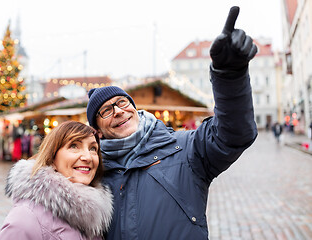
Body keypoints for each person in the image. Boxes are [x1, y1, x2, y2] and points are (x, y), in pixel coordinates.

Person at [85, 6, 257, 240]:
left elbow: (234, 135)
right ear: (98, 132)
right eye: (106, 110)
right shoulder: (93, 174)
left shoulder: (185, 148)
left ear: (135, 108)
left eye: (122, 102)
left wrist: (229, 75)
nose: (118, 111)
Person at [0, 121, 113, 240]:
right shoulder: (26, 217)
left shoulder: (95, 215)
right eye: (74, 146)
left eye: (93, 148)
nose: (87, 157)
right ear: (52, 158)